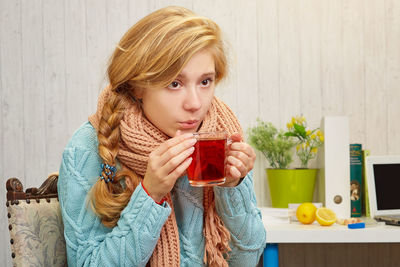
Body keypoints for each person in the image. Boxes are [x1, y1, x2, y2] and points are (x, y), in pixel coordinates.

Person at [58, 6, 266, 267]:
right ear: (137, 86)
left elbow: (246, 259)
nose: (195, 103)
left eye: (205, 82)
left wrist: (233, 188)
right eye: (174, 84)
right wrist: (150, 194)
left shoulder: (220, 133)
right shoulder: (88, 147)